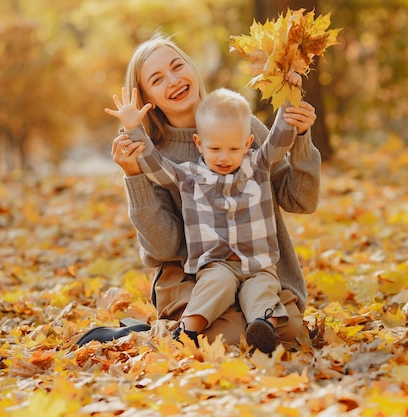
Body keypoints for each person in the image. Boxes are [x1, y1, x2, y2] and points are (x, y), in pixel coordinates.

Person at [76, 31, 320, 352]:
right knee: (222, 339)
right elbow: (164, 248)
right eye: (157, 79)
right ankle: (140, 336)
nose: (174, 80)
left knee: (290, 334)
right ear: (144, 96)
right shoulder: (154, 156)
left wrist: (300, 135)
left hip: (257, 270)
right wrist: (134, 176)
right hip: (194, 280)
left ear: (191, 67)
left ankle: (210, 325)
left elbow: (300, 200)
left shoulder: (236, 123)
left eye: (177, 67)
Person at [105, 83, 307, 353]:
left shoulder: (257, 165)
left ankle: (263, 326)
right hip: (216, 265)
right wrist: (132, 128)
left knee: (262, 292)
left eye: (234, 149)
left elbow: (280, 138)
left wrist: (290, 95)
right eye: (215, 149)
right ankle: (186, 331)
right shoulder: (189, 177)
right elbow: (153, 163)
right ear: (199, 144)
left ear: (248, 144)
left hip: (258, 265)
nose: (225, 157)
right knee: (216, 285)